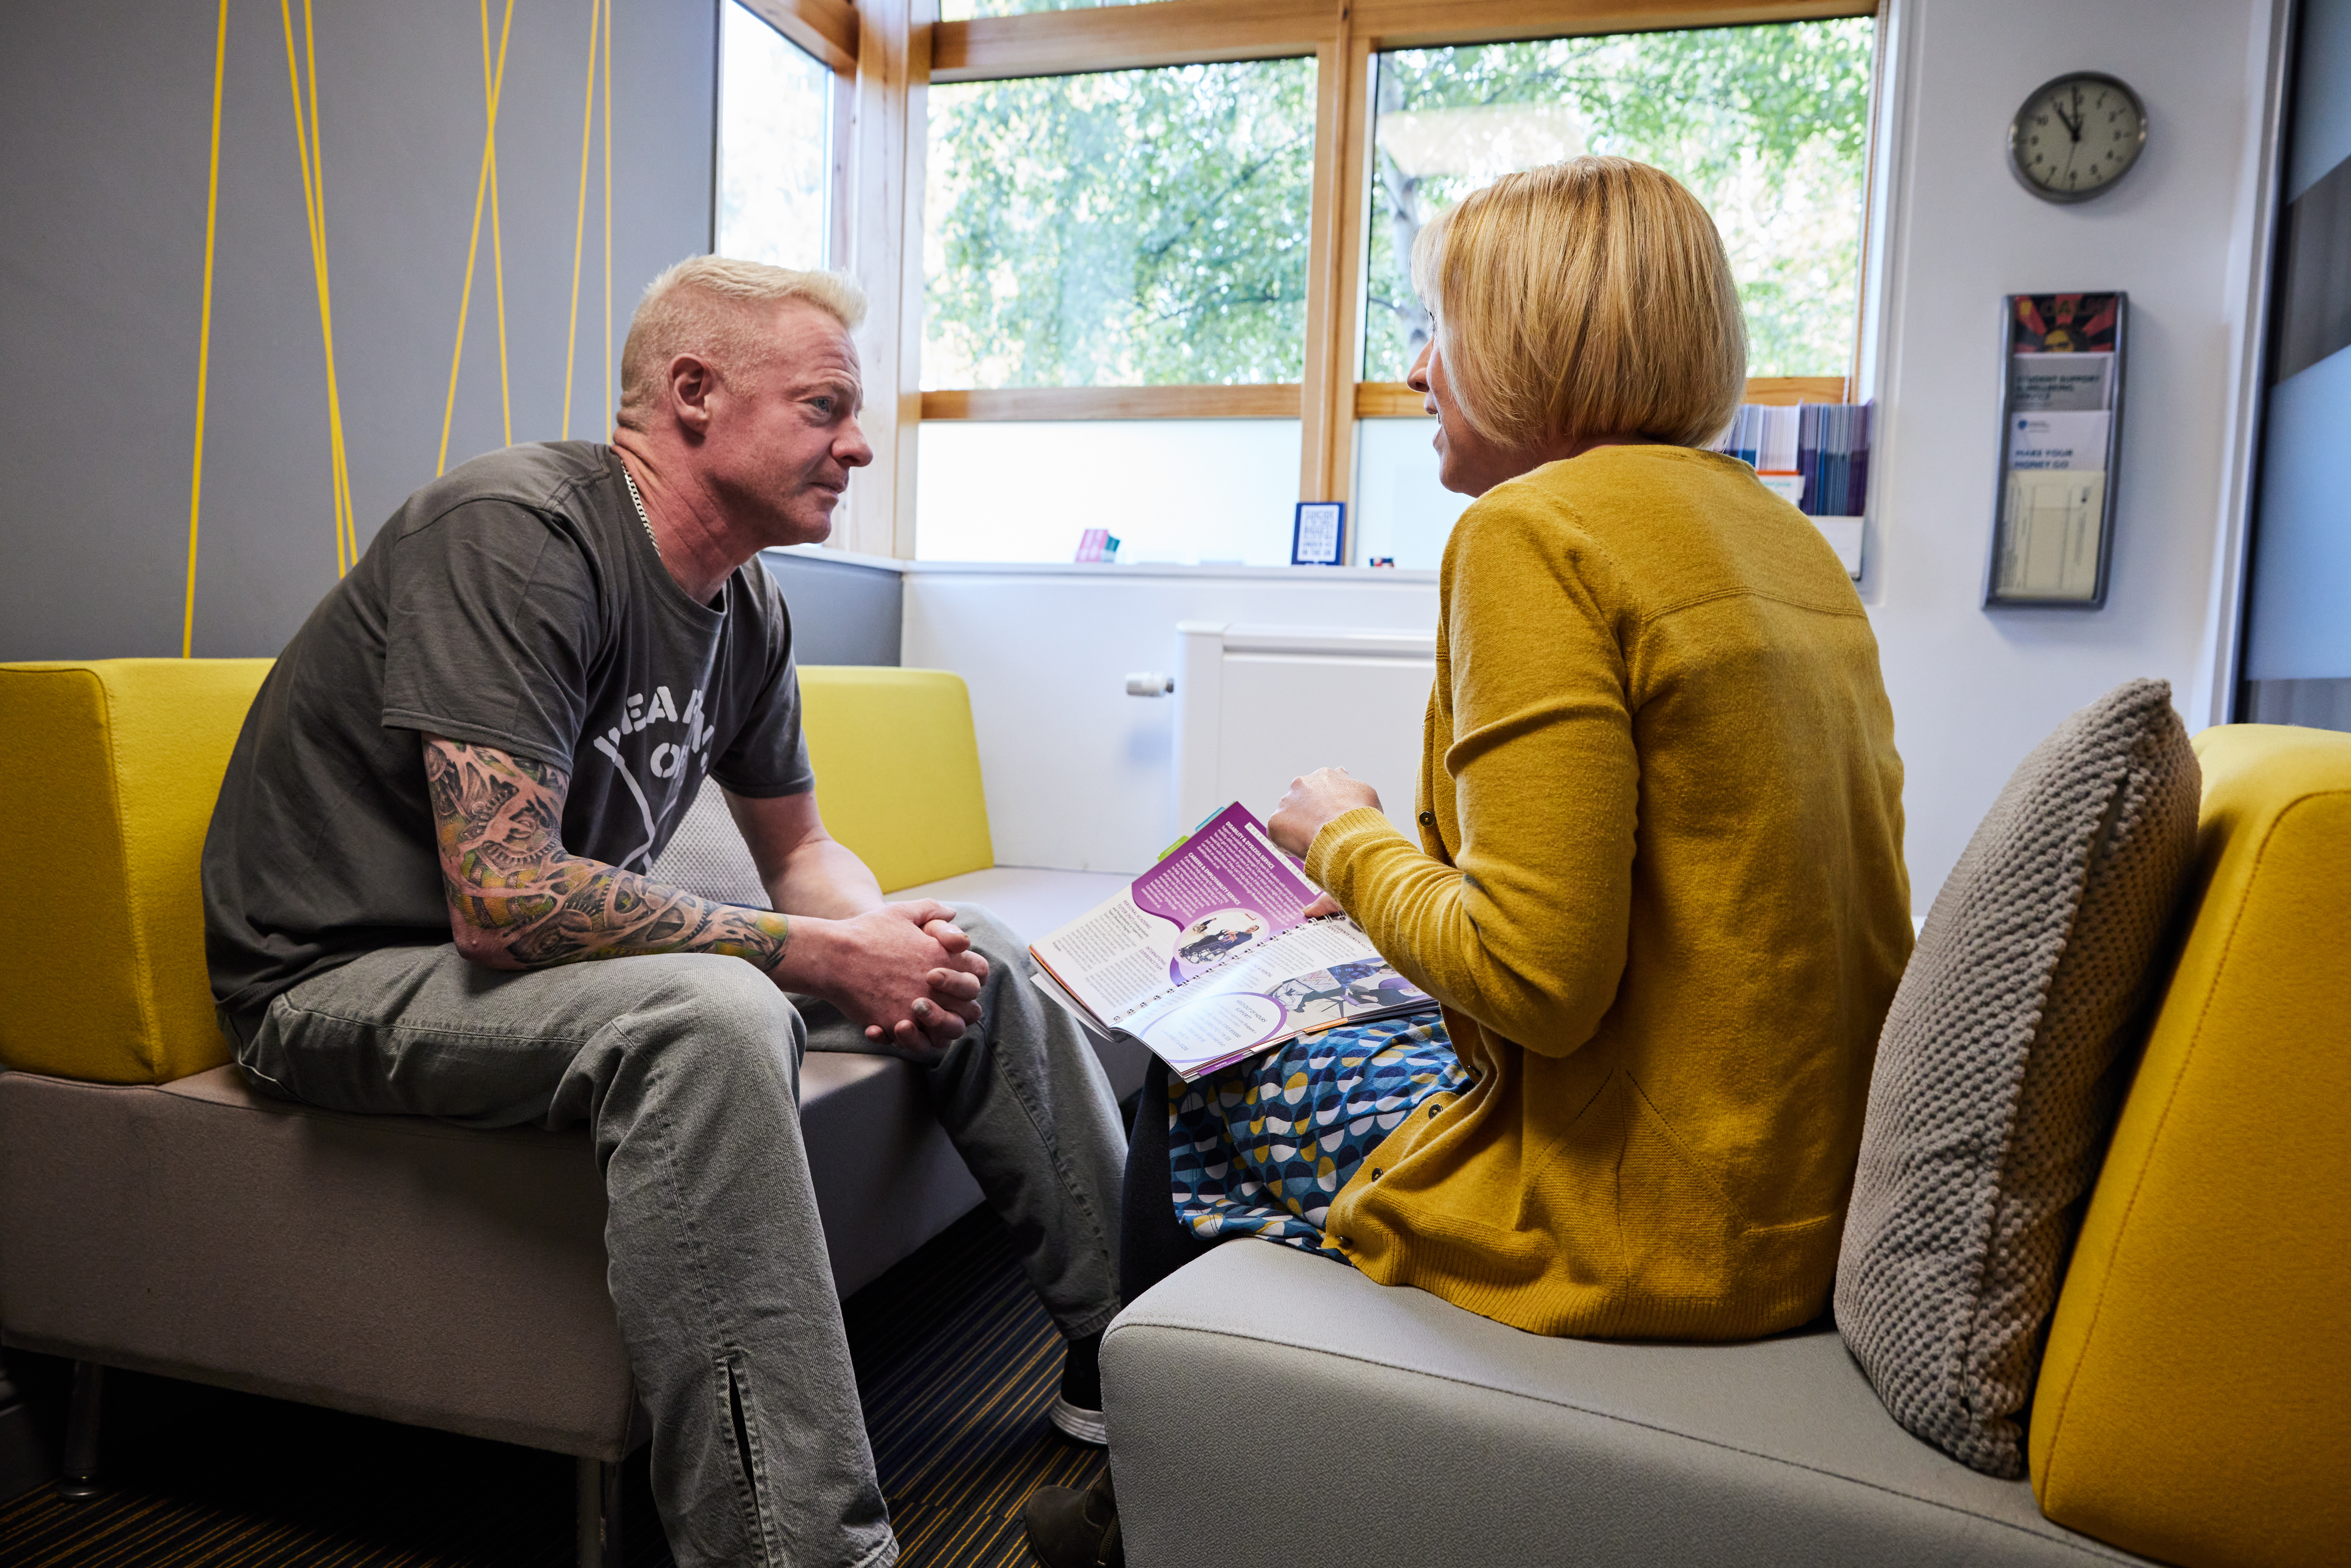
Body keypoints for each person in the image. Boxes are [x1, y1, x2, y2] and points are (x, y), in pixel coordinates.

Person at [1023, 156, 1912, 1566]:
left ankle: (1152, 1498)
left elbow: (1534, 977)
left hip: (1641, 1221)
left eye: (1439, 324)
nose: (1417, 365)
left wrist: (1344, 834)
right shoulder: (1779, 540)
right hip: (1791, 1188)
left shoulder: (1531, 531)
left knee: (1193, 1059)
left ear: (1532, 338)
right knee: (1312, 1012)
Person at [202, 256, 1128, 1568]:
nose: (858, 446)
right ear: (692, 394)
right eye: (825, 407)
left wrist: (878, 946)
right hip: (337, 977)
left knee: (968, 949)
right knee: (712, 1014)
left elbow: (801, 850)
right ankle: (792, 1549)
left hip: (524, 974)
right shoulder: (517, 535)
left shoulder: (742, 601)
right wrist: (813, 953)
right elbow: (505, 896)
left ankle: (1135, 1363)